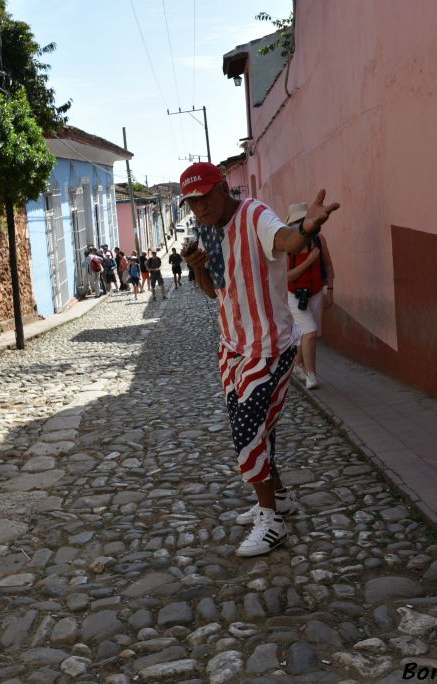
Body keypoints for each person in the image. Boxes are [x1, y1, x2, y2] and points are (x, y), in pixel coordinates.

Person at [180, 161, 340, 557]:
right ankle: (278, 496)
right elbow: (214, 291)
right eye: (191, 202)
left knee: (246, 432)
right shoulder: (208, 231)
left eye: (204, 197)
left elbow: (285, 240)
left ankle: (271, 522)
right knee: (262, 430)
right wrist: (198, 269)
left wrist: (308, 228)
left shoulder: (254, 214)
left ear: (222, 188)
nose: (199, 208)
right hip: (232, 347)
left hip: (268, 348)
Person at [284, 203, 335, 390]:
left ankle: (297, 364)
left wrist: (330, 290)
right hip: (294, 295)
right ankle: (311, 374)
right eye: (296, 222)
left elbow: (328, 266)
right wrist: (309, 261)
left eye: (302, 221)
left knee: (310, 334)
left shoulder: (319, 240)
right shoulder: (288, 246)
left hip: (314, 294)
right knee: (310, 332)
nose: (300, 225)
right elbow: (287, 276)